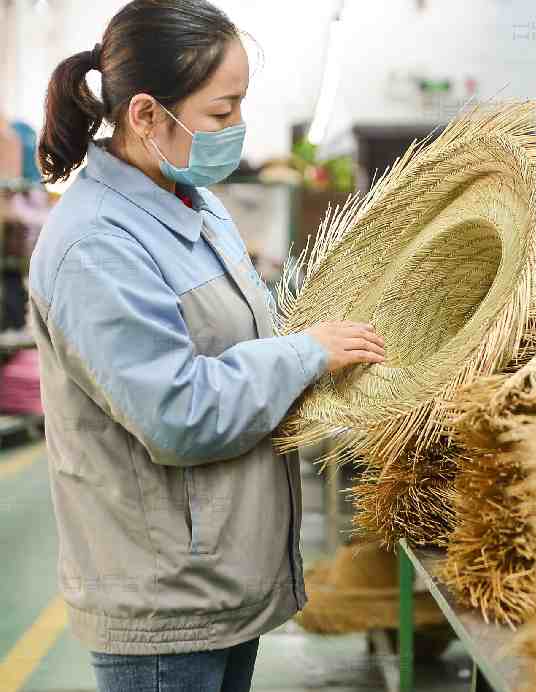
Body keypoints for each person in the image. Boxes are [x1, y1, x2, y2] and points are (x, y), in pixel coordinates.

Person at [29, 2, 386, 690]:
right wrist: (305, 354)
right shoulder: (96, 244)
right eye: (223, 112)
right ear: (146, 115)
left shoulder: (197, 204)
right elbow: (178, 413)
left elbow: (238, 330)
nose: (238, 128)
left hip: (220, 578)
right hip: (165, 600)